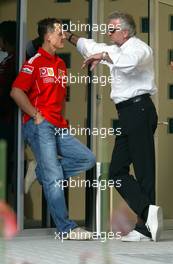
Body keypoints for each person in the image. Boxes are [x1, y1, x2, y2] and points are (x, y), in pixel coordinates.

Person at [65, 11, 163, 242]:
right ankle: (149, 213)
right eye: (107, 29)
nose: (108, 33)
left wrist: (104, 56)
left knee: (143, 169)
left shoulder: (139, 48)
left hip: (140, 110)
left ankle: (145, 228)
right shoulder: (114, 50)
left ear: (126, 31)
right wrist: (68, 35)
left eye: (112, 29)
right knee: (117, 170)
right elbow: (86, 44)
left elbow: (129, 64)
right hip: (127, 114)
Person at [10, 18, 96, 240]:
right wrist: (35, 115)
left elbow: (60, 99)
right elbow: (16, 92)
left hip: (58, 125)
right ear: (47, 36)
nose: (63, 36)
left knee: (87, 159)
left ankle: (42, 173)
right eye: (59, 32)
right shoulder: (34, 62)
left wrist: (63, 121)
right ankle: (67, 228)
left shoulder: (60, 65)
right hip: (39, 126)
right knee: (55, 177)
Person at [0, 21, 17, 206]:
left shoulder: (14, 61)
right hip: (7, 120)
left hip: (7, 121)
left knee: (5, 165)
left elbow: (6, 93)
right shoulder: (9, 59)